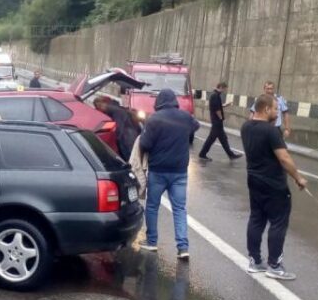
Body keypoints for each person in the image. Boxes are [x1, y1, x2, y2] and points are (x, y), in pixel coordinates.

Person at [241, 94, 307, 280]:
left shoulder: (246, 127)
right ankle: (275, 265)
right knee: (278, 222)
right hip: (273, 183)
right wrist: (298, 178)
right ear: (266, 109)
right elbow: (284, 158)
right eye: (275, 108)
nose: (277, 112)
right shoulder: (271, 131)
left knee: (256, 218)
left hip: (254, 180)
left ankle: (255, 260)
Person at [136, 89, 199, 260]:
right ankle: (183, 247)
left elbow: (146, 144)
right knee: (179, 209)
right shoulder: (185, 117)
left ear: (159, 102)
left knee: (152, 206)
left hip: (158, 171)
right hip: (179, 171)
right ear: (174, 101)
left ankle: (152, 242)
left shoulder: (154, 119)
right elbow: (196, 126)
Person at [198, 82, 243, 161]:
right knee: (211, 139)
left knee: (223, 139)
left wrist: (226, 105)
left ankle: (230, 154)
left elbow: (219, 106)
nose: (225, 90)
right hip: (217, 121)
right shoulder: (215, 95)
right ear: (221, 87)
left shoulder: (215, 95)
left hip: (217, 122)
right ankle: (202, 154)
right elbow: (217, 109)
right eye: (225, 89)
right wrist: (221, 118)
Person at [93, 96, 140, 162]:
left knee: (130, 157)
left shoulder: (115, 111)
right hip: (130, 133)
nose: (100, 108)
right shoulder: (114, 109)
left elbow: (119, 127)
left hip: (127, 136)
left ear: (104, 103)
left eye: (100, 106)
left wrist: (117, 138)